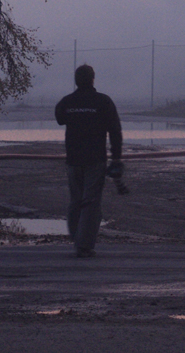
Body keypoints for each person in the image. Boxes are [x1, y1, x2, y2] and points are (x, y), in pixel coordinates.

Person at [55, 64, 123, 258]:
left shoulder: (67, 102)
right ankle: (83, 245)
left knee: (76, 200)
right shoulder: (103, 102)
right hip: (95, 159)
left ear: (76, 81)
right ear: (93, 79)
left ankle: (76, 236)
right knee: (91, 202)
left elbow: (59, 118)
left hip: (73, 159)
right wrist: (116, 157)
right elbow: (115, 131)